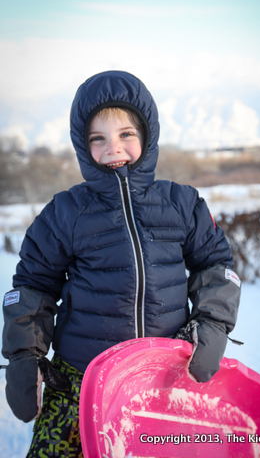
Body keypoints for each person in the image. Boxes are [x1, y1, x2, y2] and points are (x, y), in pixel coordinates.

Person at [2, 70, 241, 457]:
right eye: (98, 138)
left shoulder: (181, 204)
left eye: (126, 134)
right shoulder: (65, 213)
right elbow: (33, 287)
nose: (113, 148)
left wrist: (212, 324)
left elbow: (216, 266)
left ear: (147, 136)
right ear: (83, 146)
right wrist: (24, 355)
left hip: (164, 377)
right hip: (80, 383)